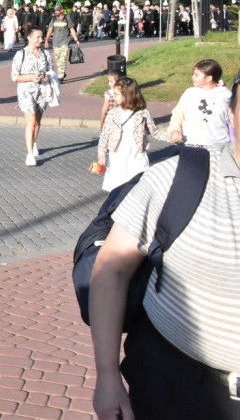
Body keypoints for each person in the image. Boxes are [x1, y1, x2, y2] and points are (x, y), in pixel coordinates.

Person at [89, 71, 240, 420]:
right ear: (232, 112)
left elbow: (150, 130)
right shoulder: (176, 178)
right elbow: (111, 268)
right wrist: (107, 376)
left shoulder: (139, 113)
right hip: (183, 391)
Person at [97, 78, 171, 192]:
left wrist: (171, 137)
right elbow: (104, 135)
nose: (114, 97)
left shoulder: (143, 113)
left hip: (136, 157)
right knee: (116, 190)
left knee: (136, 190)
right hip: (117, 157)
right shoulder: (113, 113)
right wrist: (101, 154)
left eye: (116, 94)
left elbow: (155, 132)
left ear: (127, 96)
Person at [12, 27, 55, 166]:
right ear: (29, 38)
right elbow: (15, 76)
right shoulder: (21, 54)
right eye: (38, 37)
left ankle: (33, 141)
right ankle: (30, 154)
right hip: (26, 91)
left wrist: (47, 76)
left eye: (42, 37)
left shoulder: (45, 54)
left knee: (37, 121)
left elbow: (51, 71)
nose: (41, 40)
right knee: (30, 121)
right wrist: (30, 77)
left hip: (42, 91)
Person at [168, 59, 234, 148]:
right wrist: (174, 130)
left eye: (196, 75)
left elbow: (234, 120)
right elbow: (178, 114)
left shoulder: (226, 95)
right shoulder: (190, 93)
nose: (192, 77)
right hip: (191, 144)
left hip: (219, 146)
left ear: (209, 78)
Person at [43, 4, 80, 81]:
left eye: (58, 10)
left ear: (62, 10)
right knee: (57, 61)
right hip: (56, 43)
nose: (56, 12)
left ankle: (60, 77)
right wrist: (46, 40)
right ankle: (62, 72)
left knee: (62, 60)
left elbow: (72, 29)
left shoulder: (67, 18)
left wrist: (76, 40)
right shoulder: (53, 19)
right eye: (55, 10)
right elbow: (50, 30)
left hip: (64, 43)